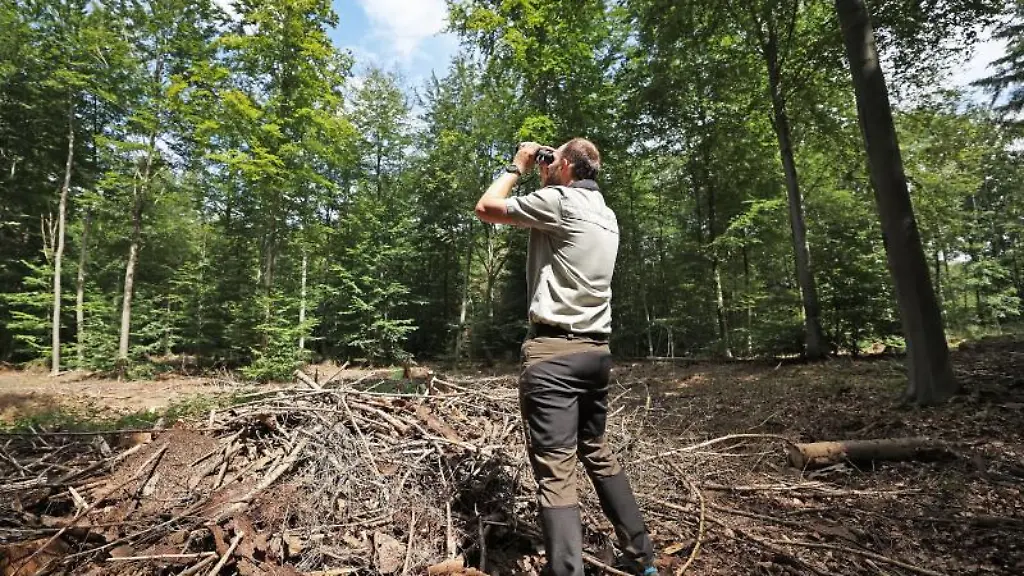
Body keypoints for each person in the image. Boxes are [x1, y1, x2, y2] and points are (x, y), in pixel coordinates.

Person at [474, 138, 656, 576]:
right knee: (596, 449)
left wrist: (518, 165)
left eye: (554, 159)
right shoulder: (607, 214)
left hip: (554, 356)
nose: (547, 162)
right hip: (596, 354)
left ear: (569, 168)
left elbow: (486, 207)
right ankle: (641, 556)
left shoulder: (558, 200)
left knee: (557, 471)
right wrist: (548, 170)